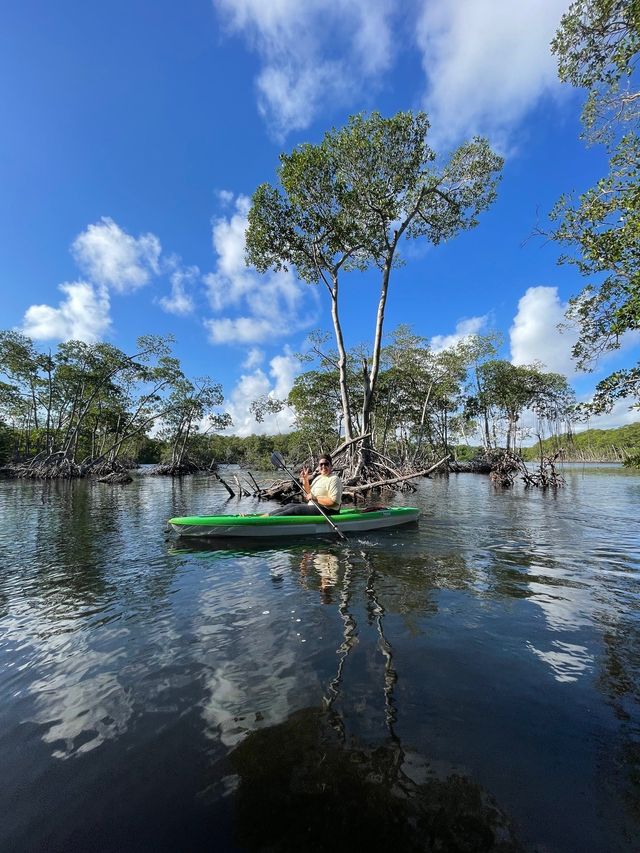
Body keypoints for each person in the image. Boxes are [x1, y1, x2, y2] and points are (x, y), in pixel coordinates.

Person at [269, 454, 342, 516]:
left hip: (328, 510)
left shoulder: (334, 479)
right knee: (289, 506)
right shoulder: (319, 478)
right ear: (318, 467)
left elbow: (333, 502)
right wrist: (305, 480)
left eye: (326, 464)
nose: (323, 466)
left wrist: (315, 498)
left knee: (295, 509)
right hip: (314, 507)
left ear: (331, 465)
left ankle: (269, 521)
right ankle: (266, 516)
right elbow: (308, 494)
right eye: (321, 464)